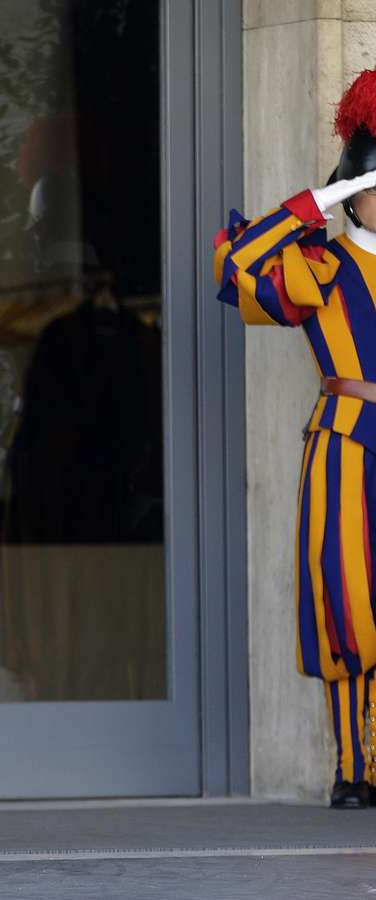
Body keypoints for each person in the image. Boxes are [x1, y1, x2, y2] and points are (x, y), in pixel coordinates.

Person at [213, 67, 376, 809]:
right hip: (346, 442)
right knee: (350, 606)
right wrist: (322, 200)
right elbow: (239, 263)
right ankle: (355, 768)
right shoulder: (322, 264)